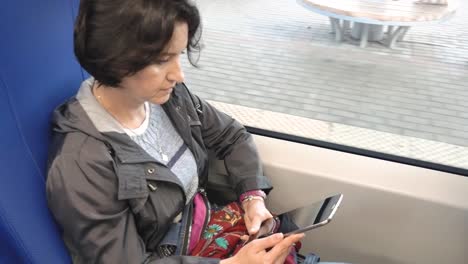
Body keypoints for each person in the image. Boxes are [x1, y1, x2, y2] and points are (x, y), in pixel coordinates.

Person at [46, 0, 304, 263]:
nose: (179, 75)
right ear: (115, 59)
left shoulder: (169, 98)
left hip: (209, 229)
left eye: (179, 54)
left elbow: (232, 136)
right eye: (162, 60)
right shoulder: (81, 162)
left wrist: (252, 199)